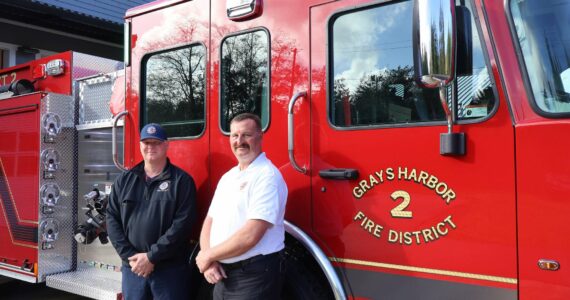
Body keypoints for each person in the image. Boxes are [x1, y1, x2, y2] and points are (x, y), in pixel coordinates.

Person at [196, 113, 288, 299]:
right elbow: (210, 221)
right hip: (222, 274)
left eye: (246, 135)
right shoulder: (228, 177)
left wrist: (207, 256)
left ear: (260, 136)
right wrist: (209, 258)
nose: (239, 141)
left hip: (253, 277)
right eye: (234, 135)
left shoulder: (266, 176)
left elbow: (251, 235)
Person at [106, 123, 197, 299]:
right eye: (146, 142)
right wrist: (131, 257)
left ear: (166, 145)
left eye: (156, 142)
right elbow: (112, 218)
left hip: (169, 271)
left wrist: (152, 257)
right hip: (133, 270)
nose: (150, 147)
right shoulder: (124, 180)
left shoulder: (181, 181)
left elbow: (183, 225)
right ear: (140, 145)